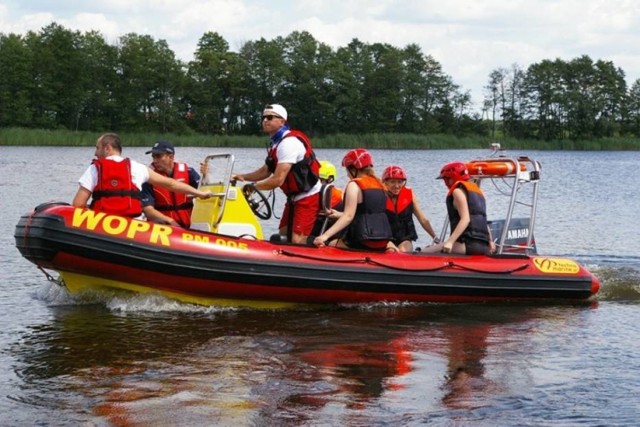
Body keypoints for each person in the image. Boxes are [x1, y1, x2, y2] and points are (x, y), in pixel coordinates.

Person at [232, 104, 321, 244]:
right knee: (283, 232)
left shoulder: (288, 143)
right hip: (293, 196)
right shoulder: (277, 142)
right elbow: (266, 171)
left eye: (270, 117)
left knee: (297, 240)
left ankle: (321, 246)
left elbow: (278, 180)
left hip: (308, 195)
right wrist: (242, 177)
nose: (265, 120)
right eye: (263, 117)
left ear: (282, 121)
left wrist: (253, 187)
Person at [72, 133, 211, 218]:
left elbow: (78, 204)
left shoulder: (94, 168)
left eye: (97, 148)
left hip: (102, 226)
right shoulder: (137, 167)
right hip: (134, 226)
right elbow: (172, 184)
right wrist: (199, 193)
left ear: (107, 148)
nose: (95, 153)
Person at [313, 148, 395, 252]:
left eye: (347, 170)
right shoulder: (380, 185)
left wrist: (324, 237)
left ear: (353, 169)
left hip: (363, 241)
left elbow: (348, 216)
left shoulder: (354, 185)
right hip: (383, 241)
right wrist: (338, 214)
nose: (347, 174)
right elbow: (367, 212)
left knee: (332, 242)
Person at [422, 162, 496, 255]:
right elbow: (481, 220)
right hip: (484, 246)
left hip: (467, 245)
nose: (446, 183)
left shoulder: (457, 192)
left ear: (452, 178)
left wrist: (450, 242)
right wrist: (490, 241)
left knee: (423, 252)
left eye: (446, 179)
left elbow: (466, 219)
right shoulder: (479, 192)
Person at [140, 140, 200, 228]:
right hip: (162, 228)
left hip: (188, 226)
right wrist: (170, 221)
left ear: (171, 157)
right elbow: (148, 210)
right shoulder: (148, 178)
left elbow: (203, 193)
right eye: (153, 157)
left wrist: (206, 174)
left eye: (158, 156)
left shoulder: (189, 173)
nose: (155, 160)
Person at [382, 165, 439, 252]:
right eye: (392, 182)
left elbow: (422, 219)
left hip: (404, 238)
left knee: (403, 251)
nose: (396, 186)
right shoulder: (380, 196)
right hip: (386, 238)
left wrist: (435, 237)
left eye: (399, 182)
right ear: (385, 182)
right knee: (391, 252)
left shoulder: (409, 195)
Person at [312, 160, 344, 236]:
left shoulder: (307, 192)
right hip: (327, 229)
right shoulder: (338, 194)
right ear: (330, 178)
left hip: (314, 227)